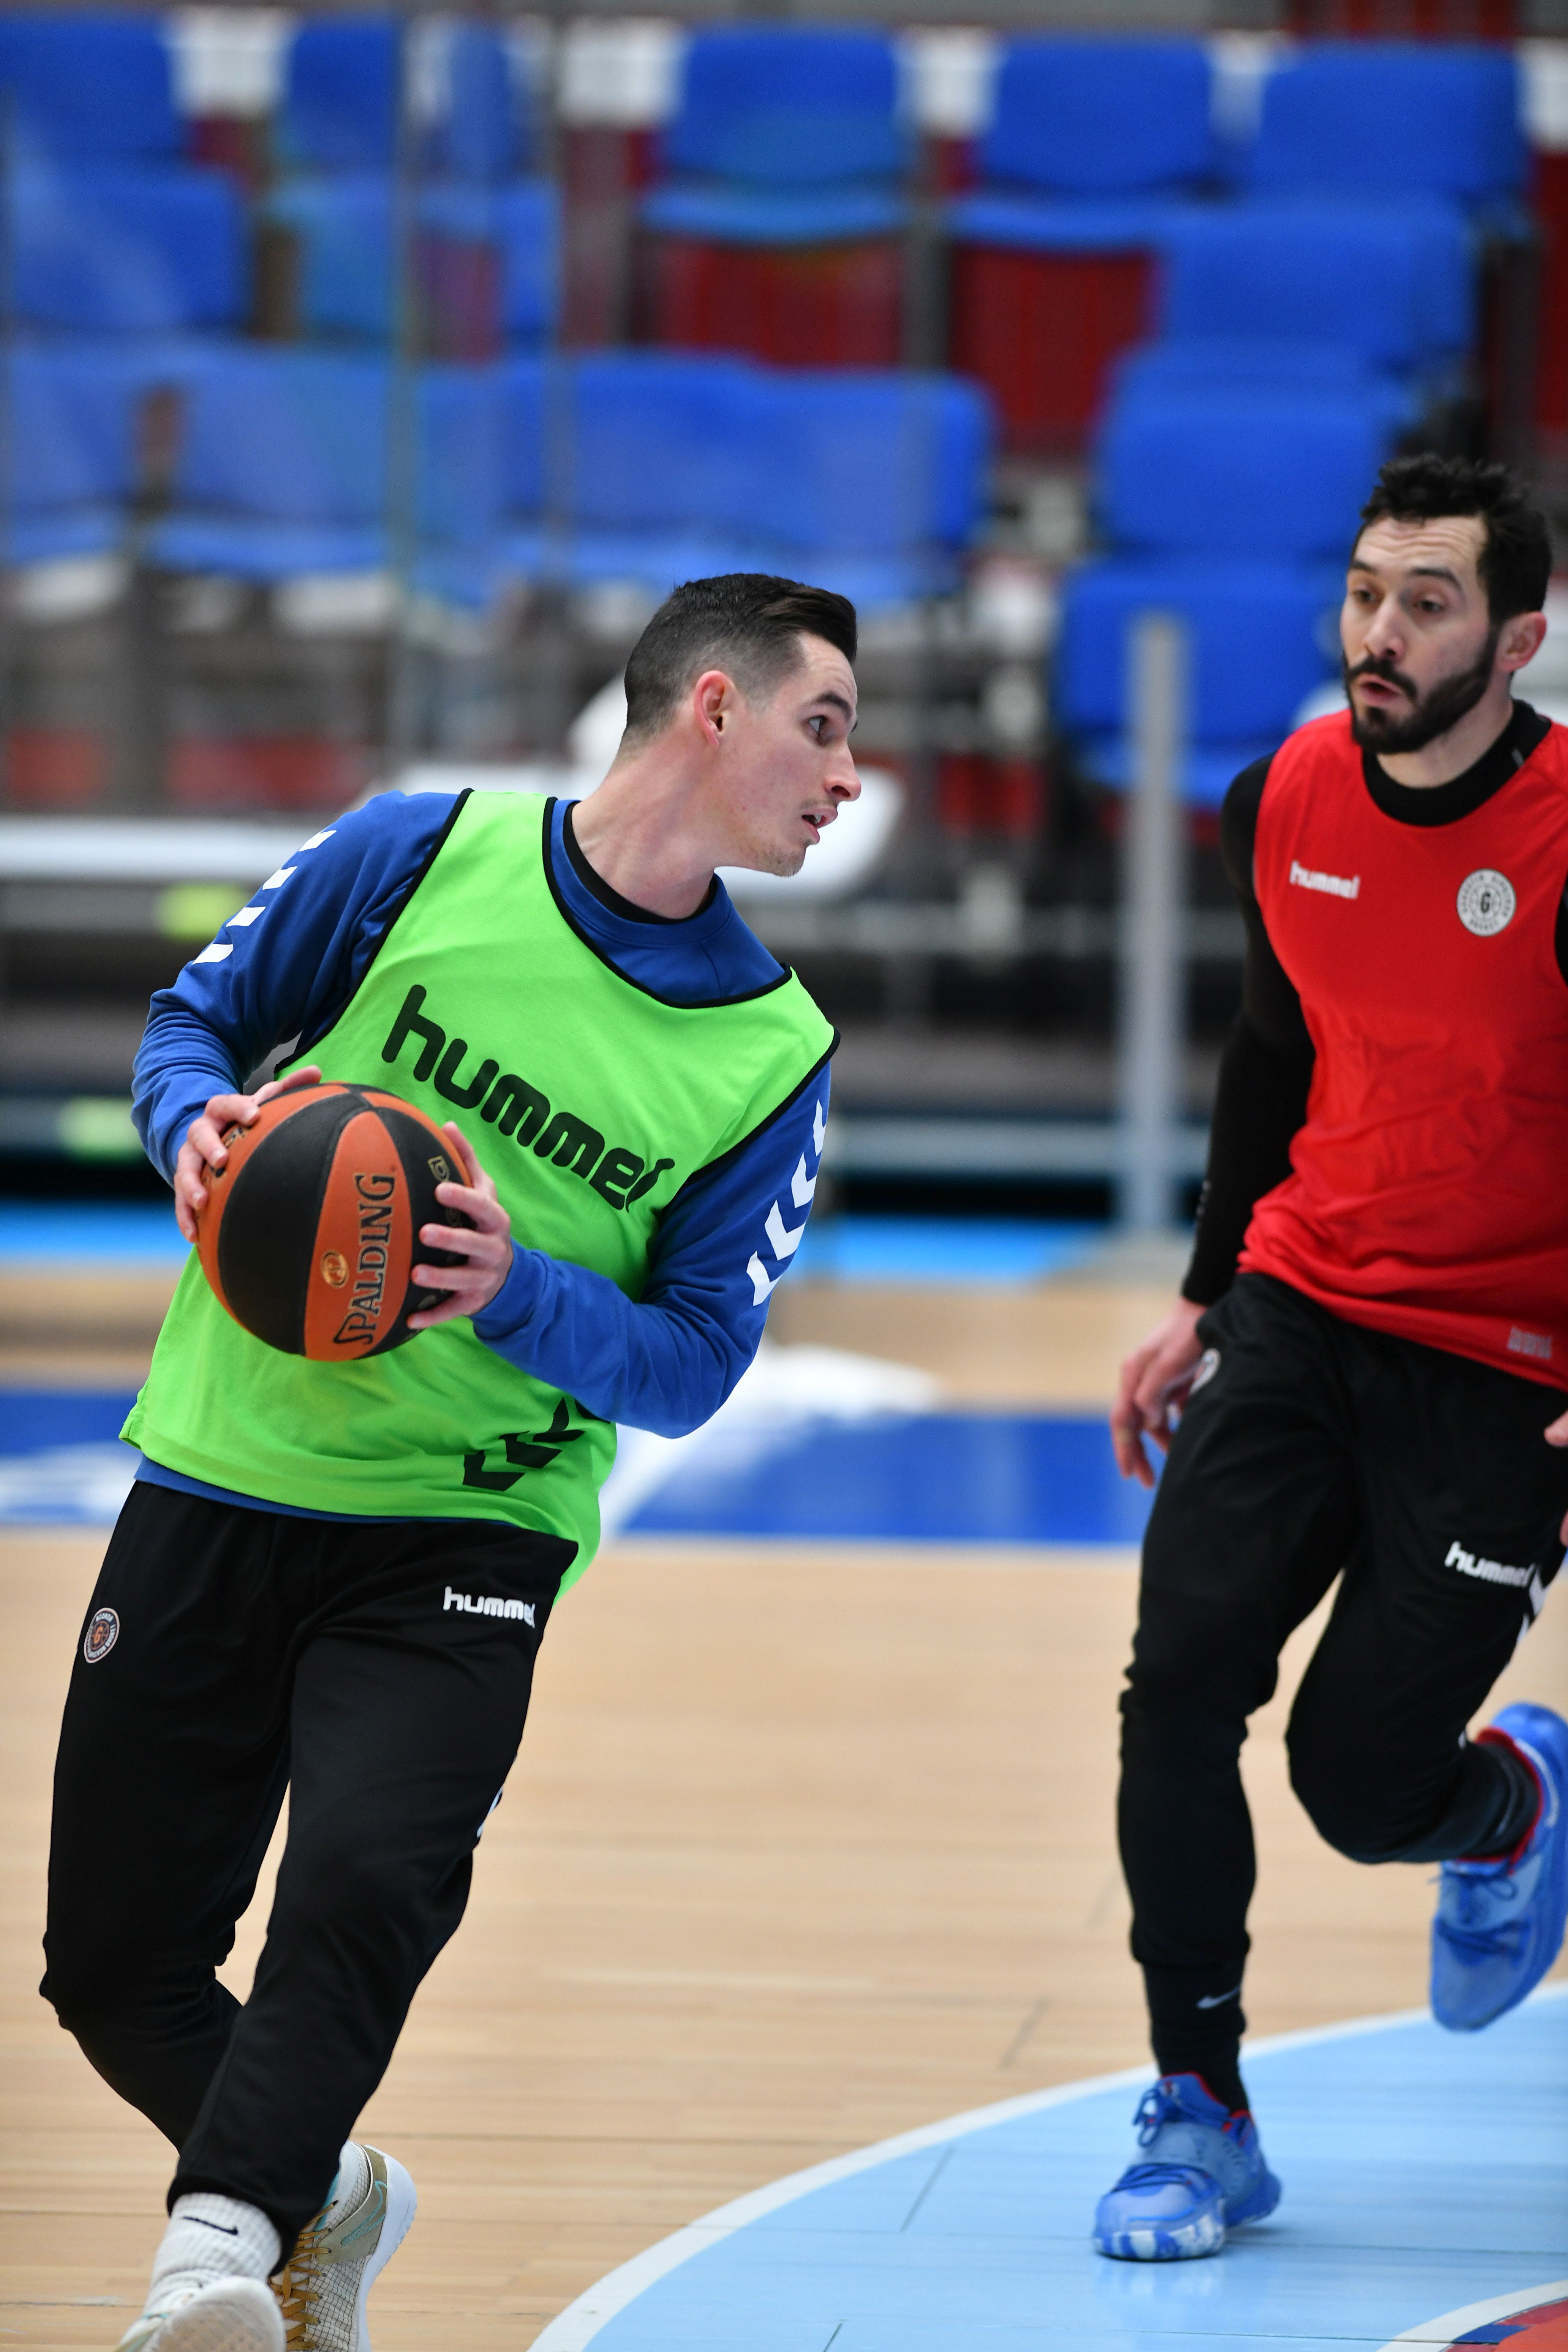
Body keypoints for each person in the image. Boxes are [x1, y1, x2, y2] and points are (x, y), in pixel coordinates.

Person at [40, 575, 860, 2352]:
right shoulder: (418, 850)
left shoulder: (773, 1055)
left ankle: (211, 2263)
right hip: (221, 1466)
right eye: (825, 724)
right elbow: (187, 1031)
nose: (848, 775)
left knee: (363, 1882)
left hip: (467, 1526)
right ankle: (326, 2197)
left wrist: (516, 1292)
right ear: (710, 710)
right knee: (107, 1970)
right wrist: (199, 1139)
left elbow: (700, 1365)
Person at [1097, 454, 1568, 2263]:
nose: (1381, 631)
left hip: (1505, 1356)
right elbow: (1270, 1048)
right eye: (1367, 591)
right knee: (1178, 1682)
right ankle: (1198, 2107)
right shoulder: (1283, 793)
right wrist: (1206, 1295)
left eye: (1428, 601)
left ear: (1516, 640)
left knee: (1361, 1789)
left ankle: (1509, 1798)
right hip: (1305, 1301)